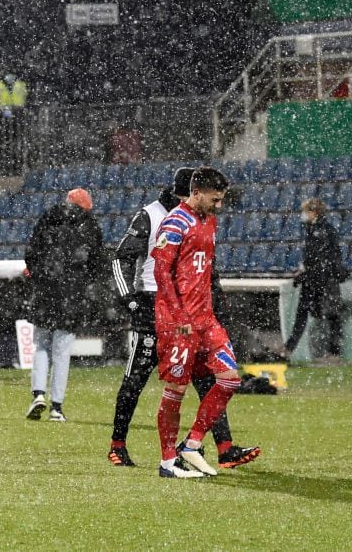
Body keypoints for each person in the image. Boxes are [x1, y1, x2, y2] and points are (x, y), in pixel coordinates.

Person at [108, 168, 259, 469]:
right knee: (137, 379)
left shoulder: (203, 219)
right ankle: (118, 445)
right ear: (189, 192)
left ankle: (220, 447)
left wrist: (217, 305)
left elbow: (205, 269)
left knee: (208, 380)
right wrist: (130, 300)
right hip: (156, 303)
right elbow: (123, 256)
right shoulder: (152, 216)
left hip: (194, 310)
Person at [152, 166, 243, 479]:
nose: (218, 206)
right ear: (198, 191)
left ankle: (191, 444)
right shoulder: (175, 221)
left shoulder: (210, 220)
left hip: (206, 319)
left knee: (230, 378)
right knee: (175, 389)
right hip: (179, 323)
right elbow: (160, 273)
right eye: (214, 199)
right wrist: (178, 317)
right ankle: (167, 463)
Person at [24, 188, 103, 422]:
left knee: (40, 344)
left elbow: (31, 252)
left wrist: (40, 276)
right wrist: (84, 285)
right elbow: (97, 262)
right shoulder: (90, 226)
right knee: (62, 352)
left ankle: (38, 394)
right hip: (72, 294)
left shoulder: (48, 218)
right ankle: (56, 407)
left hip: (46, 290)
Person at [282, 198, 347, 361]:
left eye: (306, 211)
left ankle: (333, 353)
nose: (303, 215)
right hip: (316, 279)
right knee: (311, 315)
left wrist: (305, 274)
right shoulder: (314, 230)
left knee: (330, 316)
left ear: (314, 212)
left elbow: (321, 259)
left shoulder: (323, 231)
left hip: (323, 280)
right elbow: (315, 258)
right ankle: (290, 349)